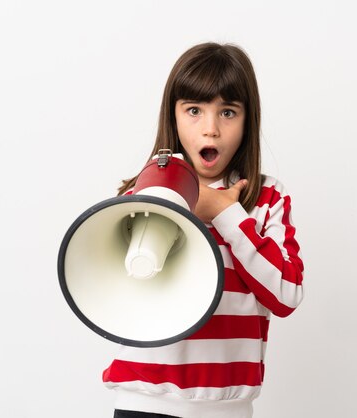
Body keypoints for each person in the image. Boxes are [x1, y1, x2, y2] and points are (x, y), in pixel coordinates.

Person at [103, 42, 305, 418]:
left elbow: (287, 294)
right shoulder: (143, 196)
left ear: (248, 121)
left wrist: (226, 212)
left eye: (227, 112)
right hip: (143, 402)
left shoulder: (267, 199)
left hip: (227, 408)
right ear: (174, 117)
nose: (210, 129)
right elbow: (113, 293)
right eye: (194, 110)